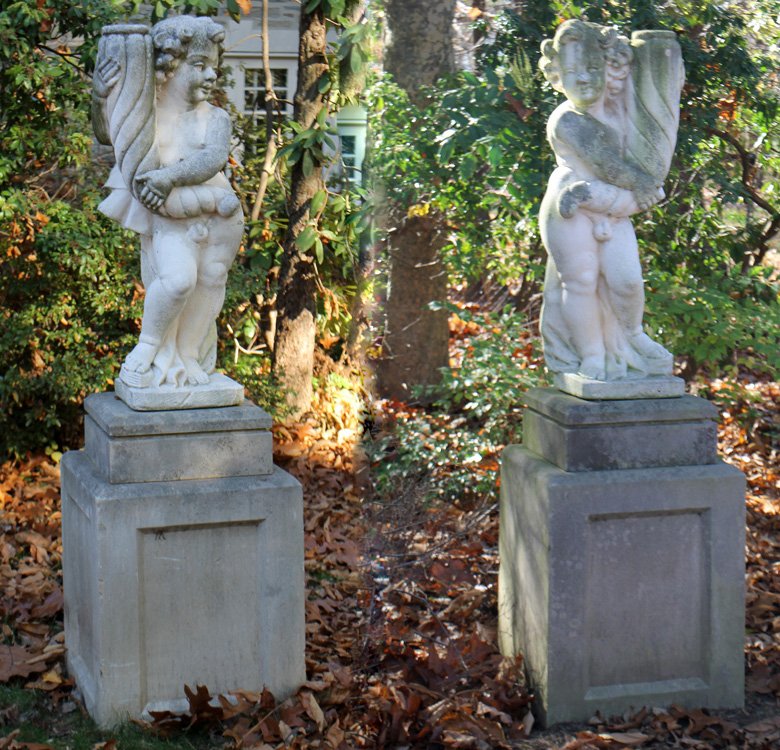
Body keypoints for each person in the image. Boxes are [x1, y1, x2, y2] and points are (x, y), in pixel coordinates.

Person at [93, 16, 243, 389]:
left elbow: (212, 159)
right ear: (168, 68)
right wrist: (101, 97)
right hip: (170, 214)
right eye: (199, 66)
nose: (211, 75)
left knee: (210, 280)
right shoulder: (146, 118)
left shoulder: (216, 118)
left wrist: (168, 177)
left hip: (218, 214)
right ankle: (147, 349)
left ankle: (189, 354)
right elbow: (107, 136)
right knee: (176, 281)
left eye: (214, 67)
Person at [537, 20, 674, 380]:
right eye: (571, 71)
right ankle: (592, 356)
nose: (581, 78)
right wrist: (645, 186)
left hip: (610, 209)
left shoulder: (621, 111)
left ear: (610, 68)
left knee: (626, 280)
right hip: (571, 207)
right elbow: (609, 165)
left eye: (591, 69)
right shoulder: (565, 119)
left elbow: (648, 143)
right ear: (557, 75)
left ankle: (633, 336)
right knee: (579, 282)